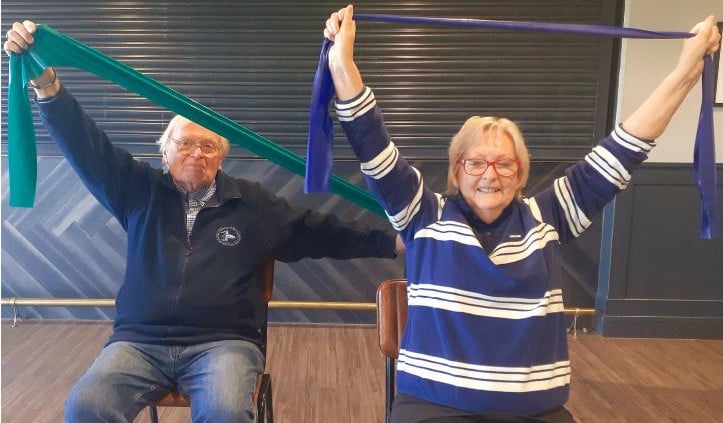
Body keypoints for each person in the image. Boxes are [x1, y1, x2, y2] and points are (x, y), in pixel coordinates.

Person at [323, 5, 720, 423]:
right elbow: (371, 144)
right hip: (433, 409)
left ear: (521, 174)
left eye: (504, 164)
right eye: (475, 163)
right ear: (457, 170)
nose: (489, 175)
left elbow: (627, 146)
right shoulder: (423, 214)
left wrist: (685, 70)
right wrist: (342, 62)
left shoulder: (547, 215)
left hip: (534, 413)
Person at [4, 20, 402, 423]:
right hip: (138, 342)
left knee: (226, 413)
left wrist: (391, 242)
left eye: (209, 146)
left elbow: (317, 231)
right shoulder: (137, 190)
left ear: (221, 158)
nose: (197, 153)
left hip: (224, 345)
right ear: (165, 152)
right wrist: (47, 84)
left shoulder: (251, 203)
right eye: (185, 143)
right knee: (86, 407)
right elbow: (85, 145)